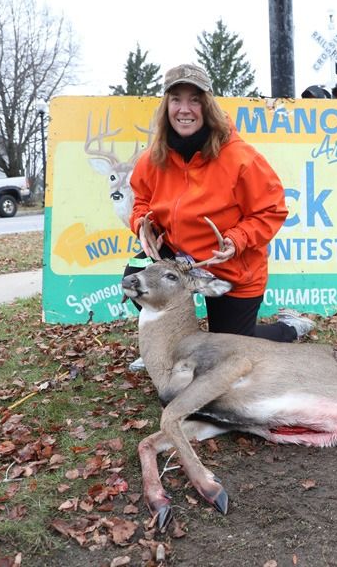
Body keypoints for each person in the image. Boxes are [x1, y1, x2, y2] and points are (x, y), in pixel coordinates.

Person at [123, 63, 313, 368]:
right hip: (179, 259)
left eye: (194, 100)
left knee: (228, 353)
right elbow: (141, 199)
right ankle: (165, 345)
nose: (185, 109)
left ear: (208, 105)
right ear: (166, 106)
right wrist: (142, 224)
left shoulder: (240, 157)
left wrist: (236, 240)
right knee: (136, 273)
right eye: (176, 99)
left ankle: (289, 328)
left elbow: (272, 209)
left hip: (231, 268)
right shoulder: (154, 156)